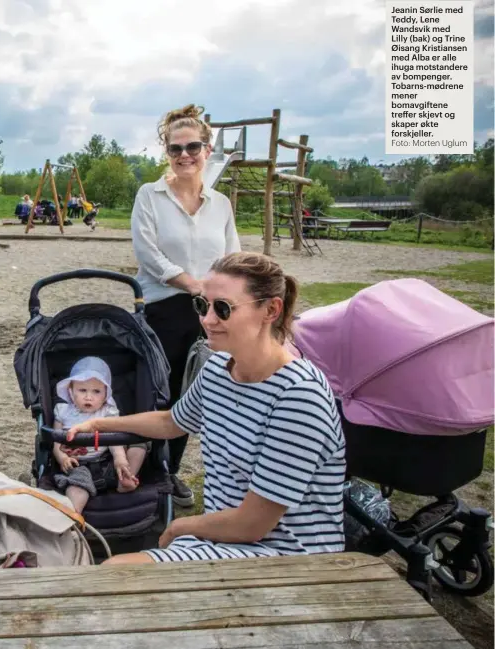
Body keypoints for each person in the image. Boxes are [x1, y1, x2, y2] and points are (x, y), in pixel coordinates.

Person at [68, 251, 346, 565]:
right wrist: (98, 425)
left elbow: (253, 523)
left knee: (115, 570)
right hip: (228, 540)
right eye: (202, 304)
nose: (207, 320)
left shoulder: (298, 396)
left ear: (271, 309)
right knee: (113, 572)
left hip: (287, 556)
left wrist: (181, 526)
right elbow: (171, 422)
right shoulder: (217, 369)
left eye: (223, 309)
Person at [131, 104, 241, 507]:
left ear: (207, 149)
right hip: (165, 306)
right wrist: (193, 284)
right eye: (175, 148)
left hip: (211, 310)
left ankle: (170, 472)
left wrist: (224, 294)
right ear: (167, 152)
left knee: (195, 393)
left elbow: (233, 257)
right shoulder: (150, 196)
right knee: (159, 391)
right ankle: (142, 469)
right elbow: (148, 255)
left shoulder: (221, 204)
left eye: (192, 146)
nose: (184, 155)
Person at [52, 356, 151, 513]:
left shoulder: (108, 412)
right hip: (78, 465)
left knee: (140, 445)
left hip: (109, 463)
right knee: (77, 486)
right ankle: (74, 515)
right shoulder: (63, 412)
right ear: (71, 392)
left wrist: (120, 459)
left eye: (96, 391)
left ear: (106, 394)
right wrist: (62, 458)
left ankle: (125, 478)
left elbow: (115, 440)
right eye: (82, 390)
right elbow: (56, 441)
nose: (88, 396)